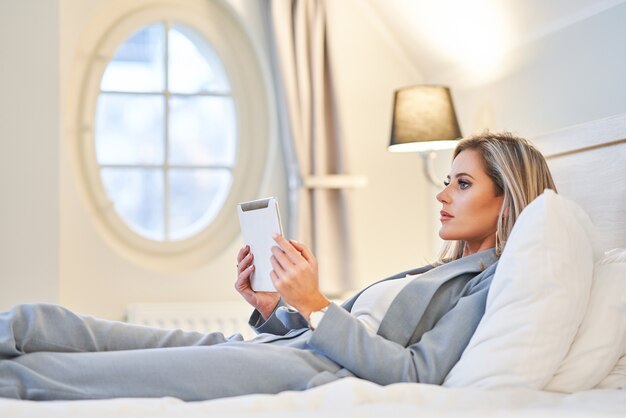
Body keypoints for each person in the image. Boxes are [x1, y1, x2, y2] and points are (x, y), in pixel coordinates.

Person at [0, 132, 556, 401]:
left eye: (462, 184)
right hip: (283, 346)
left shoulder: (490, 285)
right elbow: (342, 331)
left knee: (65, 376)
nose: (443, 195)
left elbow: (415, 373)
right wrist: (274, 310)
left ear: (507, 198)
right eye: (446, 181)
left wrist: (315, 304)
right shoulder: (431, 270)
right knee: (51, 325)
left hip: (304, 372)